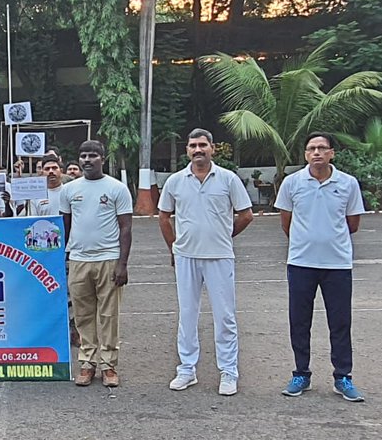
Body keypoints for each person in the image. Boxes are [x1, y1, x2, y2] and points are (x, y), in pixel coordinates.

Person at [157, 129, 254, 396]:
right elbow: (164, 217)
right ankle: (187, 369)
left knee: (225, 316)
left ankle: (229, 371)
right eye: (192, 146)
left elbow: (246, 215)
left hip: (220, 256)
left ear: (213, 148)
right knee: (187, 314)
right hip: (186, 256)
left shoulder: (228, 179)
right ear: (186, 150)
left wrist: (225, 234)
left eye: (202, 145)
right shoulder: (176, 181)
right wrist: (174, 248)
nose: (197, 149)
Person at [274, 132, 369, 402]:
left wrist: (329, 240)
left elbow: (352, 224)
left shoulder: (348, 184)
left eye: (322, 148)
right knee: (299, 321)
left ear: (332, 153)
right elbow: (286, 222)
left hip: (337, 264)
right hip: (301, 263)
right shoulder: (292, 183)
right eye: (311, 149)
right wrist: (306, 242)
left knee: (340, 322)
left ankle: (343, 377)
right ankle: (301, 373)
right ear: (305, 155)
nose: (316, 152)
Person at [61, 139, 132, 388]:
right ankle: (88, 363)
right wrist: (63, 256)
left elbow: (125, 227)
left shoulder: (116, 188)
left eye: (92, 155)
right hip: (79, 260)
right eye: (83, 156)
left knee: (109, 315)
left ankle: (109, 365)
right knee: (82, 315)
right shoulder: (69, 189)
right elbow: (65, 227)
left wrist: (122, 264)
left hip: (108, 259)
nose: (87, 160)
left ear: (102, 158)